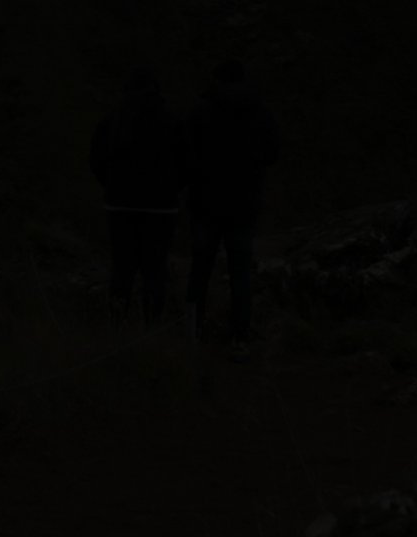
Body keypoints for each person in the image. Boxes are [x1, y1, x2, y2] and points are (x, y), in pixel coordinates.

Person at [185, 60, 278, 344]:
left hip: (206, 203)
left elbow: (186, 152)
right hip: (243, 205)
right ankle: (239, 337)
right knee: (240, 275)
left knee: (199, 271)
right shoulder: (260, 112)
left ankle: (192, 332)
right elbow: (272, 153)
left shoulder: (201, 110)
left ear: (218, 79)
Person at [91, 69, 185, 322]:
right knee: (155, 269)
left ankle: (117, 323)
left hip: (119, 205)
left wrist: (112, 187)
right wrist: (173, 190)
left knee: (122, 268)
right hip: (161, 207)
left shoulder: (111, 121)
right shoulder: (172, 122)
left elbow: (97, 161)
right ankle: (151, 326)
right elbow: (187, 163)